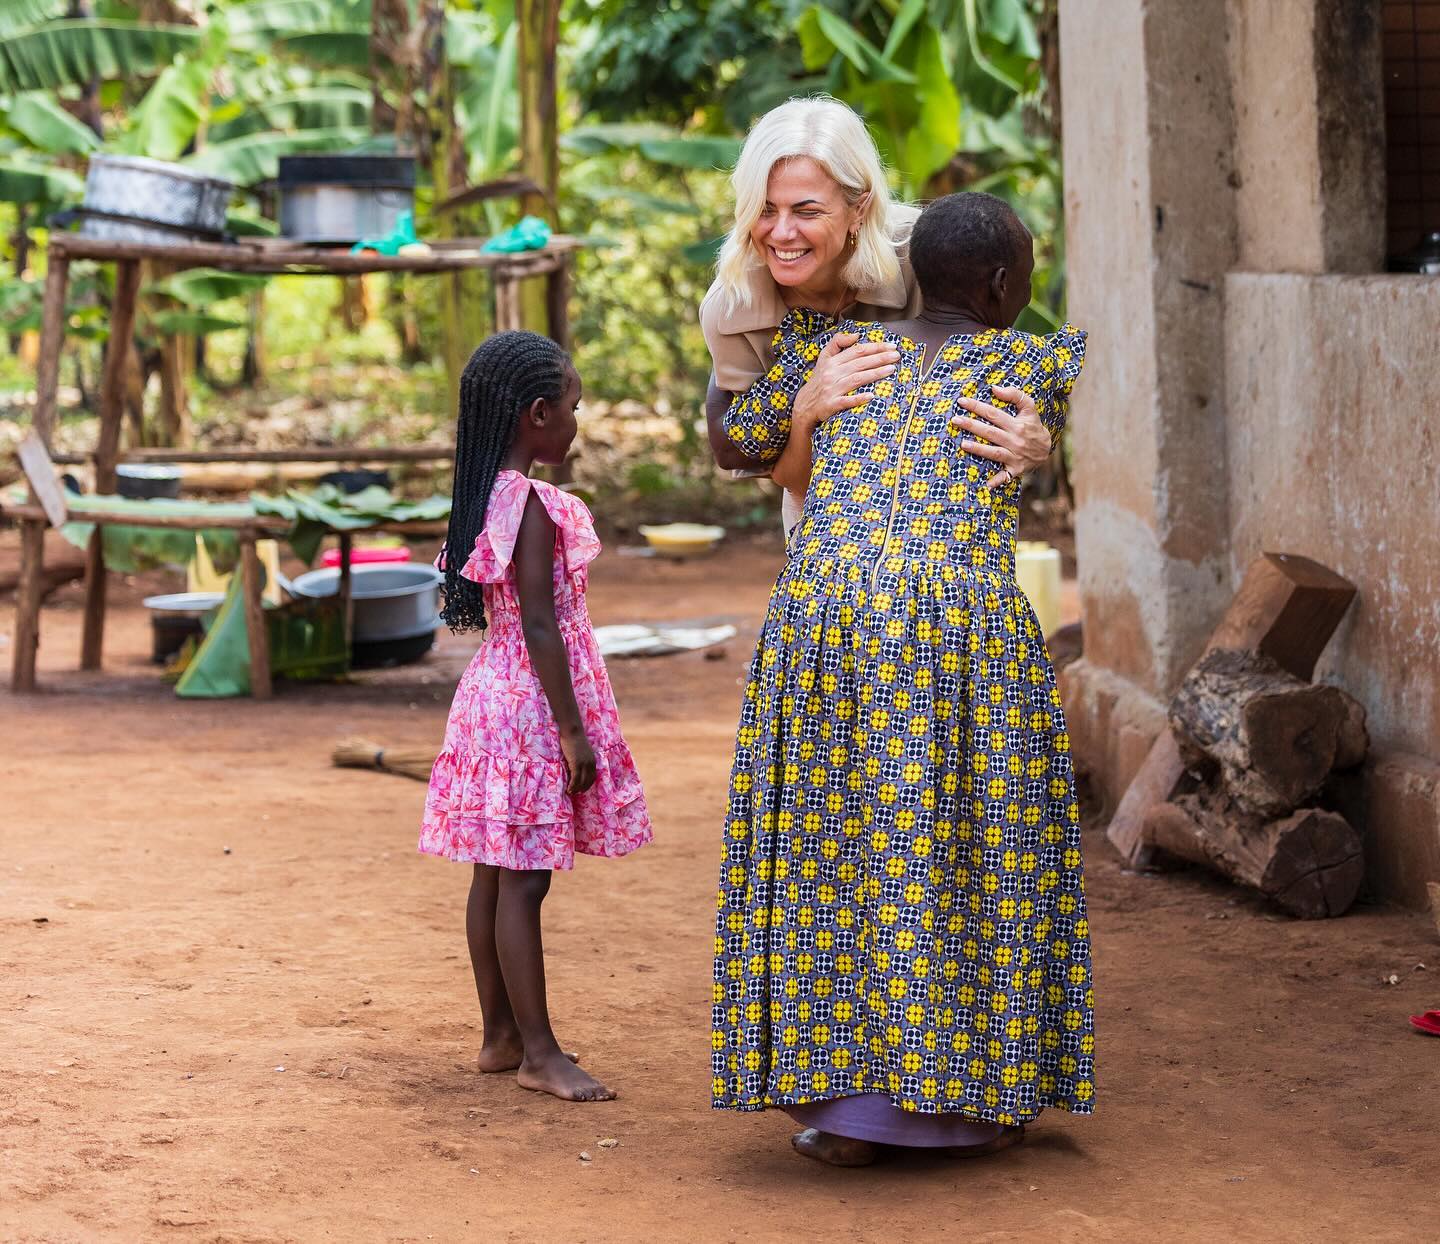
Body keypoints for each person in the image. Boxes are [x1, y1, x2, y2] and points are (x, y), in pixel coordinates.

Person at [711, 193, 1095, 1166]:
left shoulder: (827, 350)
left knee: (834, 847)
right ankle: (971, 1095)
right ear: (1008, 285)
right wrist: (1042, 448)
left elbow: (736, 441)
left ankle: (841, 1110)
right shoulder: (1031, 363)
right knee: (969, 843)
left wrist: (798, 398)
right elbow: (1032, 456)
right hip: (956, 624)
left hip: (822, 616)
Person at [420, 330, 652, 1103]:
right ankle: (540, 1054)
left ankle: (499, 1036)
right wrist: (572, 728)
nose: (578, 424)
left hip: (491, 694)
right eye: (575, 409)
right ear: (539, 413)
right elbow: (544, 623)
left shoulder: (485, 492)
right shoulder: (536, 505)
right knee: (524, 882)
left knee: (495, 872)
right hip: (528, 703)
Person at [700, 97, 1055, 534]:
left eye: (807, 211)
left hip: (948, 508)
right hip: (821, 511)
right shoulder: (731, 306)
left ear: (860, 208)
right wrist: (806, 410)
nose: (782, 232)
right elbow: (775, 470)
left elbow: (1004, 380)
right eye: (765, 209)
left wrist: (1036, 440)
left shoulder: (928, 255)